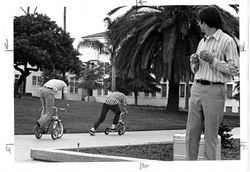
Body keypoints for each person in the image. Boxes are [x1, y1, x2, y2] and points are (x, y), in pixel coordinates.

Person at [185, 6, 239, 160]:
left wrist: (213, 60)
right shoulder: (202, 42)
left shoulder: (227, 41)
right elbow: (196, 70)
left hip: (215, 92)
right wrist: (194, 62)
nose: (198, 25)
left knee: (210, 136)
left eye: (199, 22)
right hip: (196, 89)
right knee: (191, 133)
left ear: (205, 22)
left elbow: (235, 70)